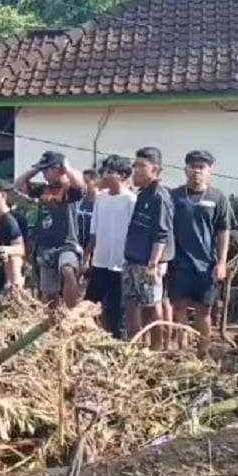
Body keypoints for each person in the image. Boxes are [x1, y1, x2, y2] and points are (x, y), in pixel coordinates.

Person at [167, 150, 233, 356]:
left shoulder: (218, 197)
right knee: (179, 308)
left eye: (202, 167)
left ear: (210, 171)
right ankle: (183, 351)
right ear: (185, 169)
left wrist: (222, 262)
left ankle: (203, 353)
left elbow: (224, 231)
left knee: (204, 312)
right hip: (179, 264)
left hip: (207, 265)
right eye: (193, 166)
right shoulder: (174, 196)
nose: (197, 171)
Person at [14, 151, 86, 306]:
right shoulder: (43, 190)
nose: (45, 174)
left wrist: (65, 166)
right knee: (49, 289)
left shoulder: (69, 189)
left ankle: (71, 311)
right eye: (43, 170)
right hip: (45, 245)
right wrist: (37, 169)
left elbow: (79, 185)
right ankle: (53, 317)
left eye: (48, 169)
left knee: (68, 270)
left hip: (67, 243)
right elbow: (19, 184)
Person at [122, 147, 174, 350]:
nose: (136, 170)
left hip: (149, 263)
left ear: (157, 170)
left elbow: (162, 234)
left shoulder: (159, 197)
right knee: (132, 304)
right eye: (135, 165)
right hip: (133, 261)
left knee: (152, 307)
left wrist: (153, 264)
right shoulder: (143, 195)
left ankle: (156, 349)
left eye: (142, 166)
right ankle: (136, 348)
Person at [83, 156, 136, 339]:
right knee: (90, 304)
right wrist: (87, 256)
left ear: (122, 175)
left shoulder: (131, 201)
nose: (104, 176)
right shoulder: (101, 198)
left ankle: (116, 342)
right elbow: (94, 231)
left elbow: (133, 233)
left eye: (109, 172)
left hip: (121, 262)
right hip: (100, 260)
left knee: (116, 308)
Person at [77, 169, 101, 253]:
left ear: (96, 182)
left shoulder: (101, 202)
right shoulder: (79, 201)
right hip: (79, 246)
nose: (84, 185)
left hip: (96, 249)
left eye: (86, 182)